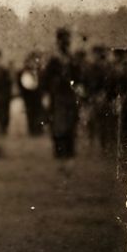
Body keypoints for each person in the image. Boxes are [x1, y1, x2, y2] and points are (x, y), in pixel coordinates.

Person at [42, 28, 80, 160]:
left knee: (70, 123)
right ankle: (59, 151)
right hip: (57, 95)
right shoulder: (53, 59)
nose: (66, 42)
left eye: (67, 39)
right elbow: (45, 78)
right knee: (58, 124)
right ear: (59, 41)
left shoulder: (71, 58)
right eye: (63, 39)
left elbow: (78, 75)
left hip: (69, 95)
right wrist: (47, 93)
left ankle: (69, 151)